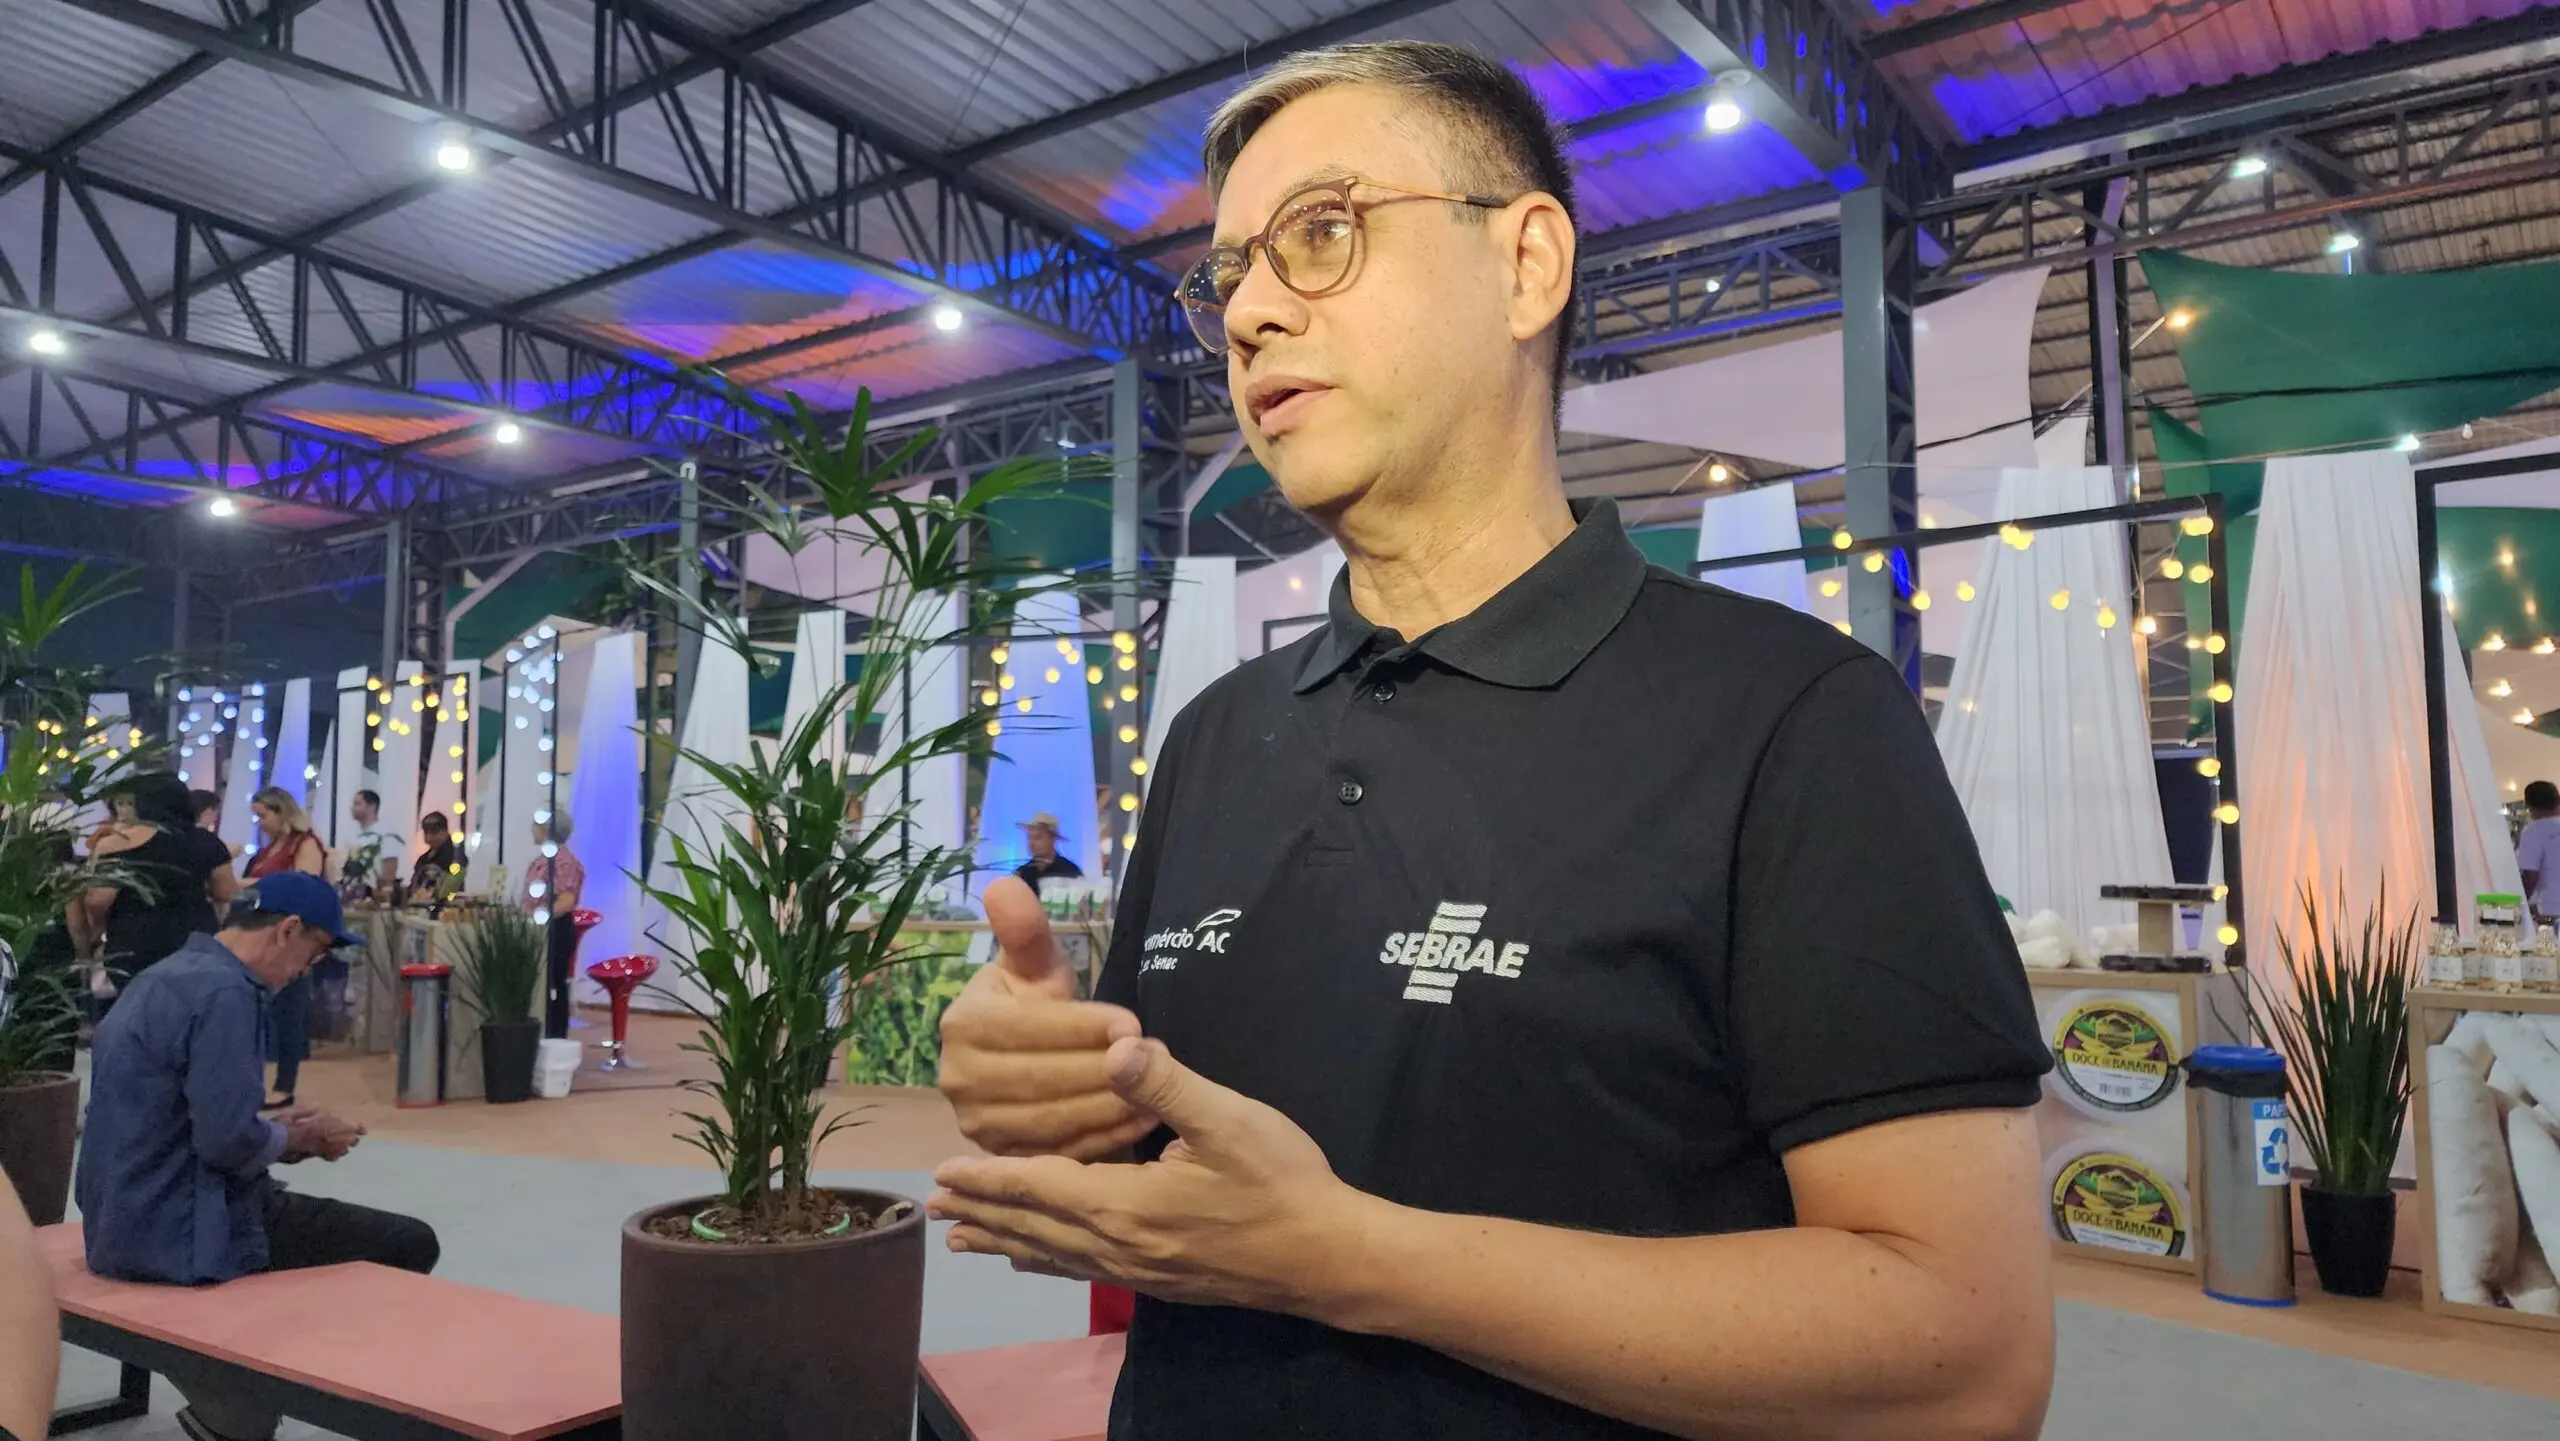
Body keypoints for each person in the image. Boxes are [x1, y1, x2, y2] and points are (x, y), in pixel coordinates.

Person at [931, 43, 2055, 1441]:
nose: (1251, 315)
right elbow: (1195, 1172)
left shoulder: (1793, 717)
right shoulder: (1218, 734)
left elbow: (1962, 1359)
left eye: (1321, 233)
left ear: (1527, 265)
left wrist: (1356, 1262)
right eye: (1226, 277)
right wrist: (1056, 1086)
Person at [77, 872, 438, 1441]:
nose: (305, 972)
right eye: (315, 954)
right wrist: (303, 1140)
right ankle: (253, 1383)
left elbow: (178, 1119)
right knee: (409, 1242)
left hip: (116, 1217)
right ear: (287, 930)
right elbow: (225, 1143)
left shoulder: (166, 974)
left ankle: (239, 1388)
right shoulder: (228, 994)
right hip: (183, 1228)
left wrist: (274, 1130)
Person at [75, 773, 239, 999]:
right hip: (194, 943)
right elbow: (226, 892)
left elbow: (98, 900)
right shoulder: (206, 841)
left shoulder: (117, 843)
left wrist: (97, 928)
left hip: (135, 941)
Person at [244, 788, 329, 1107]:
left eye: (263, 815)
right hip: (264, 935)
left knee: (289, 1011)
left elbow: (305, 888)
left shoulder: (304, 844)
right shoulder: (269, 849)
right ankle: (261, 1082)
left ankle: (284, 1084)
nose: (260, 822)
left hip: (292, 935)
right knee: (265, 1012)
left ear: (282, 812)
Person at [521, 811, 586, 1037]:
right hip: (538, 929)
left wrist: (540, 916)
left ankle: (556, 1034)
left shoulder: (564, 863)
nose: (532, 830)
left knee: (554, 983)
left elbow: (566, 901)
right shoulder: (541, 861)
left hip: (555, 930)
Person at [338, 789, 403, 892]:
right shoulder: (351, 832)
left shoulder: (386, 833)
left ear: (372, 806)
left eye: (357, 804)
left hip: (374, 892)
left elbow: (390, 869)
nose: (352, 808)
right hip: (351, 890)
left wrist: (383, 893)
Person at [2519, 780, 2560, 925]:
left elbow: (2530, 876)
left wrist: (2519, 905)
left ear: (2529, 806)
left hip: (2552, 909)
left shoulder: (2533, 831)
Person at [1012, 812, 1083, 891]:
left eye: (1038, 837)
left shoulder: (1070, 872)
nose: (1031, 843)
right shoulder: (1022, 874)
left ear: (1052, 839)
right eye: (1029, 837)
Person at [410, 810, 463, 896]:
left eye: (434, 832)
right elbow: (414, 885)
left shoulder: (456, 856)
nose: (429, 837)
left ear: (445, 831)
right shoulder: (422, 859)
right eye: (426, 833)